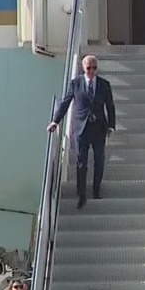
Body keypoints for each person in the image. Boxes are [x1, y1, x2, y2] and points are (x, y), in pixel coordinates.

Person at [47, 54, 116, 208]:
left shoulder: (104, 84)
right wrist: (55, 121)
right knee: (81, 162)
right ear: (83, 68)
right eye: (89, 68)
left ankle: (96, 190)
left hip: (98, 128)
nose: (91, 71)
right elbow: (65, 103)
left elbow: (110, 106)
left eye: (94, 68)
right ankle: (81, 194)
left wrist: (111, 125)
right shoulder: (76, 83)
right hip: (81, 129)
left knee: (99, 160)